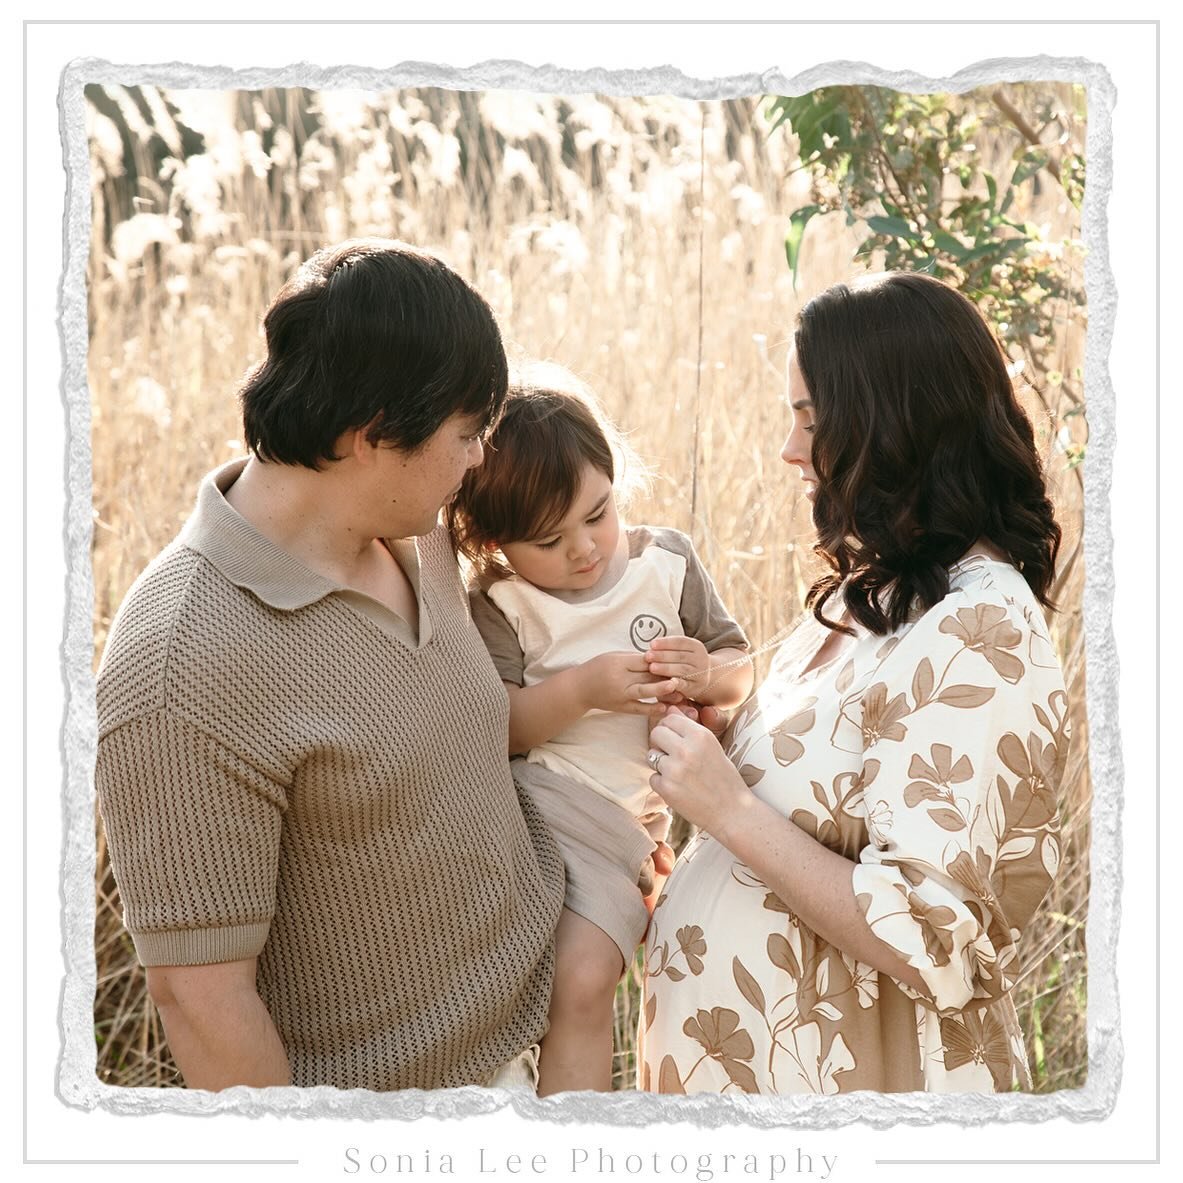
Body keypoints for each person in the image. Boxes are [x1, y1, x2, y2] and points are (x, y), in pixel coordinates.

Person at [95, 239, 566, 1092]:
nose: (478, 460)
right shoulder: (181, 661)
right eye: (466, 434)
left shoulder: (418, 526)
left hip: (545, 1041)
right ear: (369, 435)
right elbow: (201, 1000)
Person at [641, 271, 1068, 1094]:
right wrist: (709, 755)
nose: (789, 450)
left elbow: (929, 941)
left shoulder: (981, 628)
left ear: (894, 420)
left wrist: (726, 808)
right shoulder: (863, 597)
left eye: (810, 418)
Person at [448, 367, 753, 1094]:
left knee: (584, 978)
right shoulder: (503, 600)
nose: (583, 549)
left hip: (621, 826)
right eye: (549, 541)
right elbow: (501, 727)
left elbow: (742, 668)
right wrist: (582, 688)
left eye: (598, 513)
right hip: (531, 811)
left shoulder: (664, 564)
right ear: (494, 544)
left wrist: (705, 674)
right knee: (518, 976)